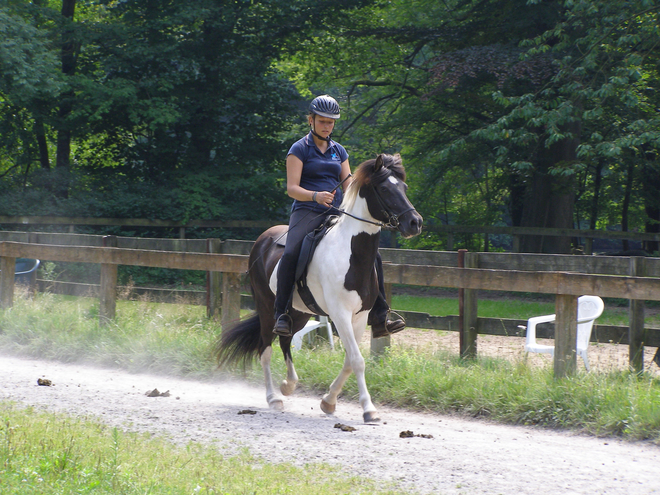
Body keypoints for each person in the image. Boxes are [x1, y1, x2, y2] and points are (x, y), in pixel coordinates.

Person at [273, 94, 406, 339]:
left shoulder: (339, 151)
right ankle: (281, 313)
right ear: (310, 120)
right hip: (307, 211)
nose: (326, 126)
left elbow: (349, 186)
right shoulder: (298, 149)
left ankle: (380, 315)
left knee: (373, 254)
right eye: (322, 121)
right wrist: (315, 196)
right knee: (291, 252)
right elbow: (292, 188)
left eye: (331, 122)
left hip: (335, 212)